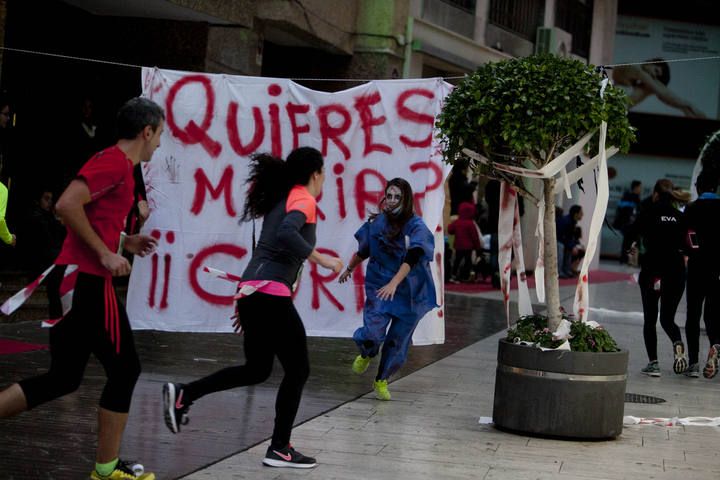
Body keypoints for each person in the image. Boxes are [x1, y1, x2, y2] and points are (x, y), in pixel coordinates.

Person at [0, 97, 163, 480]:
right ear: (147, 131)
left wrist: (123, 242)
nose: (159, 144)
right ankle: (106, 472)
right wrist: (107, 254)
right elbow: (67, 205)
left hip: (77, 277)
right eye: (160, 136)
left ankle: (106, 469)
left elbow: (90, 217)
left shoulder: (117, 165)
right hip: (87, 281)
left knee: (63, 378)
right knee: (125, 370)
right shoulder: (114, 163)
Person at [162, 147, 342, 469]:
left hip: (253, 294)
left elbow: (268, 251)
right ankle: (280, 448)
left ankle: (184, 394)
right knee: (298, 370)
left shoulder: (281, 199)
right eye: (324, 172)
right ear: (315, 174)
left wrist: (247, 299)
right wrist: (323, 259)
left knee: (257, 369)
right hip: (267, 297)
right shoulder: (303, 198)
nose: (325, 178)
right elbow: (287, 235)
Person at [339, 178, 437, 401]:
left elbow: (413, 256)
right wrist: (350, 268)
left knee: (397, 340)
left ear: (406, 199)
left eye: (397, 197)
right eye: (389, 196)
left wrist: (394, 283)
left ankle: (381, 379)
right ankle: (367, 350)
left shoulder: (416, 226)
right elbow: (364, 249)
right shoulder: (378, 224)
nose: (392, 201)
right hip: (379, 285)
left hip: (410, 291)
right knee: (373, 331)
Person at [630, 179, 688, 377]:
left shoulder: (648, 213)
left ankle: (653, 364)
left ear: (655, 194)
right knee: (667, 319)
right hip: (676, 272)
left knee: (650, 320)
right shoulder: (680, 217)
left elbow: (631, 232)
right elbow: (689, 246)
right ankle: (677, 342)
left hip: (653, 272)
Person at [684, 170, 720, 379]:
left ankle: (694, 363)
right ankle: (715, 343)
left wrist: (695, 251)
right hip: (718, 271)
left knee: (693, 315)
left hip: (698, 268)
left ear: (698, 186)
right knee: (713, 314)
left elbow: (689, 235)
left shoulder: (692, 208)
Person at [19, 189, 66, 320]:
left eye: (51, 199)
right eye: (46, 199)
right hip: (42, 259)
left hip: (53, 259)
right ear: (39, 200)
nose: (49, 202)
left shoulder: (51, 217)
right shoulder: (36, 217)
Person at [611, 60, 706, 118]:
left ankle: (687, 108)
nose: (653, 75)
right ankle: (688, 107)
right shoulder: (637, 69)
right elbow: (660, 92)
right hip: (613, 106)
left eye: (656, 75)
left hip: (617, 105)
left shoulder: (639, 75)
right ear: (651, 62)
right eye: (656, 70)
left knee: (652, 87)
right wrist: (687, 104)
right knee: (652, 88)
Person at [448, 200, 483, 282]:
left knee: (457, 260)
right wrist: (478, 247)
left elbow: (450, 230)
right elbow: (475, 237)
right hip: (468, 247)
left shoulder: (457, 222)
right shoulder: (471, 223)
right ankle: (466, 275)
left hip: (458, 246)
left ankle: (453, 274)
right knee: (468, 262)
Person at [614, 180, 642, 264]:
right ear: (636, 187)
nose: (641, 189)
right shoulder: (633, 197)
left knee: (628, 242)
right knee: (629, 242)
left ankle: (625, 259)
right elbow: (628, 211)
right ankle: (626, 259)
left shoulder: (628, 196)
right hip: (629, 223)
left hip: (627, 223)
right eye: (640, 187)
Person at [556, 205, 583, 278]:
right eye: (581, 213)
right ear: (576, 214)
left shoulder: (572, 222)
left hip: (563, 240)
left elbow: (570, 237)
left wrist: (575, 245)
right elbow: (561, 236)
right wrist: (572, 246)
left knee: (572, 248)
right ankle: (559, 271)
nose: (582, 214)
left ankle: (567, 269)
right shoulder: (566, 221)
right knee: (561, 246)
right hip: (557, 240)